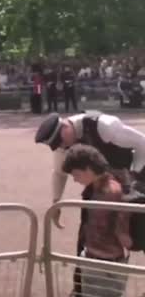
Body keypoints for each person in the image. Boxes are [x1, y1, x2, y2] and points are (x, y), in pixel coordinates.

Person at [35, 111, 145, 296]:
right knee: (86, 235)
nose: (62, 147)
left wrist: (135, 178)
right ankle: (81, 289)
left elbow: (142, 143)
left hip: (132, 186)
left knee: (140, 233)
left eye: (60, 142)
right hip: (98, 190)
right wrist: (56, 202)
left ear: (65, 127)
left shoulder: (105, 126)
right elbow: (59, 172)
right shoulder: (64, 143)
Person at [61, 144, 132, 297]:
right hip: (107, 260)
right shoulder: (107, 186)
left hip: (103, 262)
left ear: (88, 169)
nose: (75, 179)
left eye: (76, 174)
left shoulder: (107, 193)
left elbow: (114, 231)